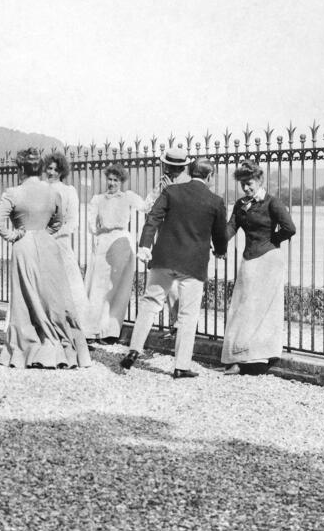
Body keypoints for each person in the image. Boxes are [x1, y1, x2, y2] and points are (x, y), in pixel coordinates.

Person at [120, 159, 227, 378]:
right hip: (193, 264)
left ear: (189, 171)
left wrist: (144, 246)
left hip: (164, 258)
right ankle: (181, 366)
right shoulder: (215, 201)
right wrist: (220, 251)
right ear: (210, 177)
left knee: (150, 303)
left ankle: (133, 350)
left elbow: (153, 220)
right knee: (188, 314)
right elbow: (220, 235)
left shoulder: (171, 191)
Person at [0, 148, 92, 369]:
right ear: (39, 169)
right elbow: (58, 221)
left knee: (25, 298)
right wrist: (45, 233)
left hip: (24, 243)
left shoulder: (13, 192)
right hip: (49, 244)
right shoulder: (53, 192)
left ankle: (28, 348)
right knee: (52, 297)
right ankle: (57, 345)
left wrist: (13, 234)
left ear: (20, 169)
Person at [221, 160, 296, 375]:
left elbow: (290, 228)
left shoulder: (272, 202)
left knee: (264, 309)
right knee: (243, 306)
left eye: (250, 183)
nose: (246, 188)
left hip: (269, 260)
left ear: (259, 180)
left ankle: (260, 358)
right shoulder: (240, 204)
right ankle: (238, 357)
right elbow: (230, 229)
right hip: (249, 260)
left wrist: (272, 242)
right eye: (243, 184)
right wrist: (217, 241)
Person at [82, 163, 145, 344]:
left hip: (122, 244)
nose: (112, 183)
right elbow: (91, 225)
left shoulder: (128, 197)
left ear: (121, 181)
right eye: (109, 179)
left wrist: (159, 190)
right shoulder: (98, 199)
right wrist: (100, 230)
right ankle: (92, 330)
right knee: (98, 287)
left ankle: (110, 330)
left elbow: (146, 206)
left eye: (115, 180)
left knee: (119, 288)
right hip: (103, 244)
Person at [144, 147, 193, 337]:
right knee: (170, 286)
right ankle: (176, 326)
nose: (169, 171)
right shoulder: (162, 185)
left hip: (183, 238)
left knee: (182, 285)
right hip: (165, 240)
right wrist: (160, 193)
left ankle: (184, 327)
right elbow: (148, 209)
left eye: (174, 168)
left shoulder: (188, 184)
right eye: (169, 167)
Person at [44, 151, 92, 340]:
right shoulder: (40, 188)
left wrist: (53, 234)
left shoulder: (68, 191)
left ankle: (75, 332)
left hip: (60, 244)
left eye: (56, 169)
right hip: (41, 244)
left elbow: (73, 223)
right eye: (49, 168)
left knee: (70, 288)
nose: (52, 172)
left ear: (62, 171)